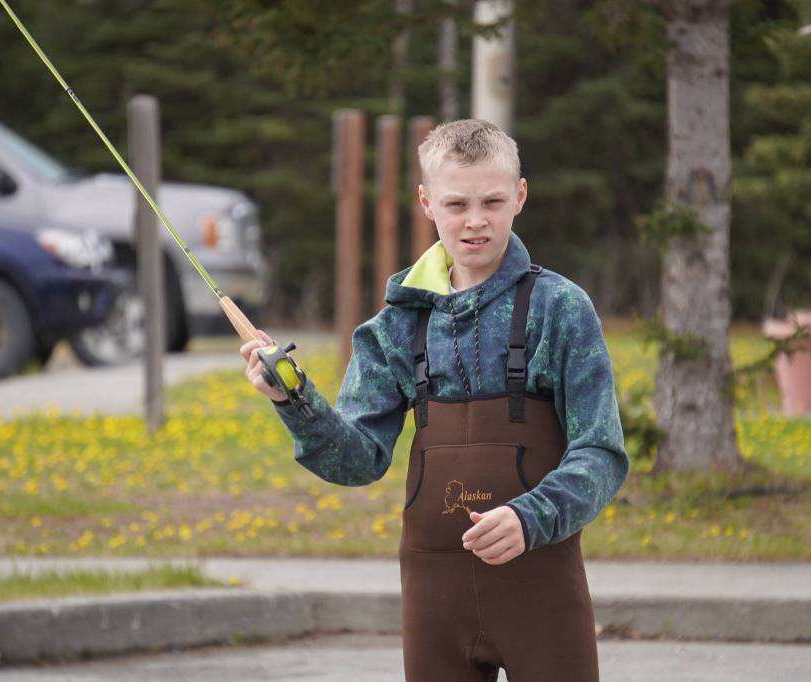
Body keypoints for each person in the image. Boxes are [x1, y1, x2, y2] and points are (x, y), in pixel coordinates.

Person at [240, 118, 629, 682]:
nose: (475, 221)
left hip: (539, 578)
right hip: (432, 595)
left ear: (520, 196)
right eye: (456, 204)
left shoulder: (561, 309)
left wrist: (530, 517)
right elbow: (357, 461)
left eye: (493, 201)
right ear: (426, 202)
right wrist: (294, 400)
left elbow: (602, 452)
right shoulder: (392, 328)